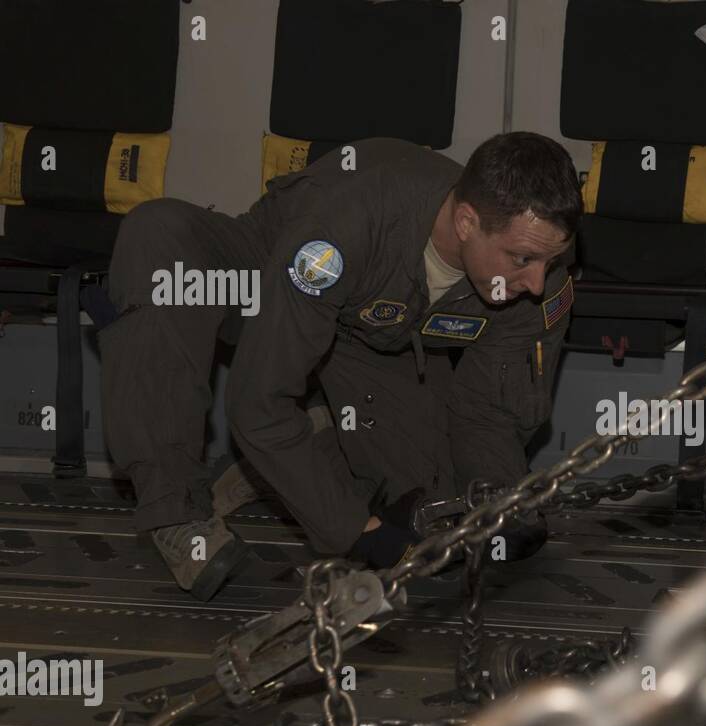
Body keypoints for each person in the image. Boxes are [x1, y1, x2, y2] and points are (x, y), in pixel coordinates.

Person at [98, 133, 581, 600]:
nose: (536, 281)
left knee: (434, 514)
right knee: (159, 239)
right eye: (523, 259)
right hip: (268, 284)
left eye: (549, 260)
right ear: (466, 222)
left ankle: (298, 449)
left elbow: (489, 412)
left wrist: (496, 498)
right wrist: (358, 532)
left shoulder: (541, 263)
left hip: (373, 338)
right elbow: (258, 399)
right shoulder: (344, 230)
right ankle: (176, 507)